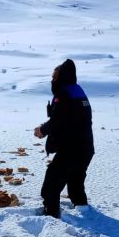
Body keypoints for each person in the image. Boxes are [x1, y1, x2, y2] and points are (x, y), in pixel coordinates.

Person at [34, 59, 94, 218]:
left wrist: (42, 130)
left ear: (62, 77)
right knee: (75, 184)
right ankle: (85, 214)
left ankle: (51, 216)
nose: (52, 79)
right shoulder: (77, 91)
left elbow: (58, 120)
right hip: (85, 148)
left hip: (72, 149)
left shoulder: (64, 93)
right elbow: (67, 119)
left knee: (51, 185)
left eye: (55, 76)